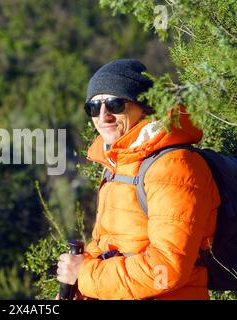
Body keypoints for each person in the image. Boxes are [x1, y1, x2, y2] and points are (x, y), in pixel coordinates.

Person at [56, 59, 220, 300]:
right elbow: (106, 244)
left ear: (143, 107)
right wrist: (81, 284)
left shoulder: (174, 168)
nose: (104, 116)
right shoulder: (117, 163)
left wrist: (85, 275)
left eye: (115, 104)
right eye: (93, 107)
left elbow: (167, 269)